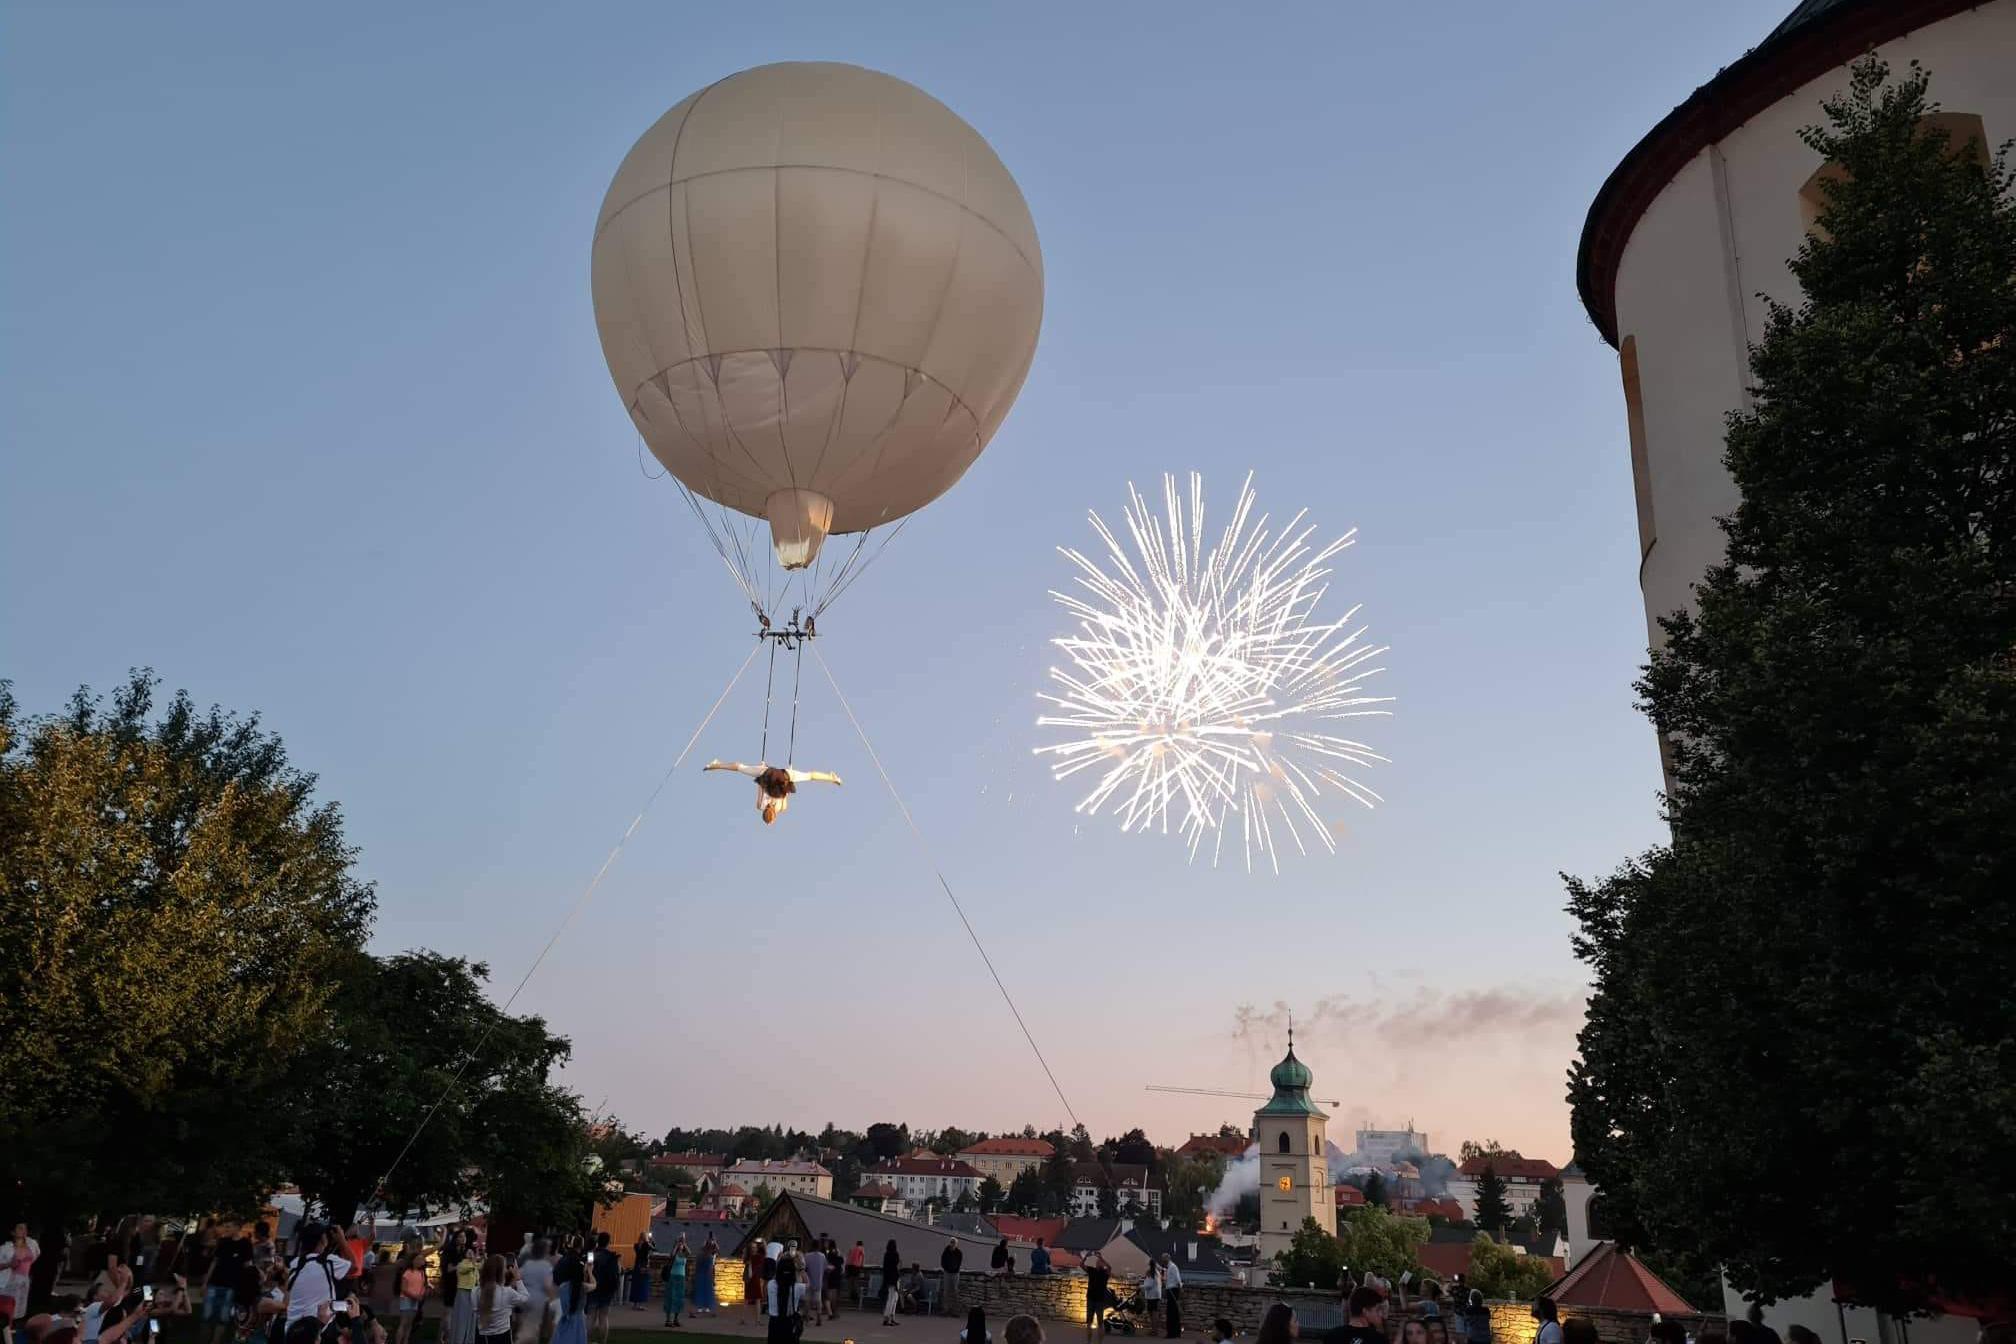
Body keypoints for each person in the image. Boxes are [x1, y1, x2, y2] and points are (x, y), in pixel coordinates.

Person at [704, 761, 843, 825]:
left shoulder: (782, 808)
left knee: (810, 776)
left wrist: (790, 772)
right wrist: (762, 767)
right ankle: (716, 765)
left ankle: (832, 778)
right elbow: (760, 786)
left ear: (775, 816)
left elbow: (786, 791)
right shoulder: (759, 806)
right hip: (766, 774)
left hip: (785, 776)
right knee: (740, 767)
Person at [284, 1227, 353, 1327]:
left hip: (292, 1328)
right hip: (319, 1328)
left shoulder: (295, 1264)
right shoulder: (328, 1261)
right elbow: (354, 1267)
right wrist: (342, 1239)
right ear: (322, 1240)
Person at [204, 1225, 253, 1344]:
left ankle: (215, 1341)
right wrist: (205, 1282)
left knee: (223, 1316)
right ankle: (205, 1339)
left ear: (237, 1227)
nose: (226, 1230)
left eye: (229, 1227)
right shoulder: (223, 1242)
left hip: (232, 1285)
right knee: (207, 1315)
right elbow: (215, 1261)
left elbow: (247, 1265)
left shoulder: (245, 1244)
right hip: (215, 1282)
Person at [476, 1256, 527, 1344]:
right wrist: (518, 1279)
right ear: (501, 1273)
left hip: (482, 1336)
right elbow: (526, 1299)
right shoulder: (507, 1292)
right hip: (502, 1337)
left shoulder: (475, 1292)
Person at [548, 1241, 588, 1344]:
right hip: (571, 1303)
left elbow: (555, 1277)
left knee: (561, 1327)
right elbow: (592, 1284)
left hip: (560, 1298)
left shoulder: (564, 1259)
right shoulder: (577, 1262)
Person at [516, 1241, 554, 1344]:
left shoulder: (527, 1264)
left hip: (525, 1298)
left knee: (525, 1324)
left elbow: (518, 1277)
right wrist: (552, 1299)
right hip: (538, 1300)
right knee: (533, 1329)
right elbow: (547, 1285)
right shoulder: (546, 1266)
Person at [1321, 1286, 1387, 1344]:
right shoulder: (1377, 1340)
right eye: (1378, 1310)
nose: (1381, 1314)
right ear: (1365, 1311)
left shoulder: (1332, 1336)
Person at [4, 1224, 41, 1327]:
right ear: (12, 1232)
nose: (24, 1230)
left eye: (25, 1228)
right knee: (9, 1305)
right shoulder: (7, 1247)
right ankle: (7, 1326)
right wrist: (9, 1265)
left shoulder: (31, 1244)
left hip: (24, 1278)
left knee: (20, 1305)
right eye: (20, 1228)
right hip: (11, 1279)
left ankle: (13, 1326)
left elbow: (36, 1255)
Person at [586, 1236, 620, 1344]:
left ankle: (586, 1340)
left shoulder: (591, 1254)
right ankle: (602, 1341)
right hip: (607, 1290)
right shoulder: (611, 1256)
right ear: (608, 1242)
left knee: (590, 1317)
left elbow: (587, 1270)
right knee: (603, 1317)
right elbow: (616, 1274)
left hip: (593, 1288)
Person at [394, 1252, 428, 1344]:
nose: (421, 1261)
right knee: (404, 1322)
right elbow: (403, 1289)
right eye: (418, 1259)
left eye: (422, 1259)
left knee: (410, 1324)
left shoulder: (421, 1273)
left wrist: (421, 1294)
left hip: (415, 1300)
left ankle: (405, 1341)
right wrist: (414, 1296)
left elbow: (423, 1286)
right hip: (407, 1299)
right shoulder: (408, 1272)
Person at [1082, 1250, 1112, 1342]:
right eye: (1097, 1262)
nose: (1098, 1263)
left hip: (1099, 1299)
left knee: (1100, 1323)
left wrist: (1101, 1258)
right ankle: (1088, 1342)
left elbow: (1110, 1267)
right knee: (1089, 1323)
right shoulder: (1092, 1270)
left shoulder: (1105, 1273)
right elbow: (1081, 1264)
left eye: (1099, 1262)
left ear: (1102, 1264)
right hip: (1091, 1298)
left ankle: (1099, 1342)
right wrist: (1085, 1257)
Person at [660, 1239, 687, 1329]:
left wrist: (684, 1243)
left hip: (681, 1278)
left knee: (679, 1299)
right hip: (673, 1277)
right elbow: (671, 1255)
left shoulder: (684, 1255)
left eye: (682, 1245)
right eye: (681, 1244)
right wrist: (676, 1245)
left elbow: (689, 1252)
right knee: (671, 1298)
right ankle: (668, 1320)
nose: (681, 1245)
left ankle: (676, 1319)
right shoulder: (674, 1254)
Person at [691, 1237, 717, 1319]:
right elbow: (710, 1269)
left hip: (700, 1275)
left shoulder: (700, 1256)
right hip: (706, 1276)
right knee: (707, 1291)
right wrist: (712, 1278)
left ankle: (700, 1307)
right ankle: (706, 1307)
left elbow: (697, 1267)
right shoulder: (709, 1257)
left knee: (700, 1291)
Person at [801, 1239, 825, 1326]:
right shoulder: (822, 1256)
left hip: (808, 1281)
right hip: (818, 1281)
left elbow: (803, 1267)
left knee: (807, 1301)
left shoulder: (807, 1256)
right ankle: (819, 1317)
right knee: (818, 1301)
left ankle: (807, 1318)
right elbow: (824, 1268)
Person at [1158, 1254, 1182, 1339]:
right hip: (1171, 1290)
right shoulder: (1168, 1268)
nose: (1162, 1262)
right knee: (1174, 1313)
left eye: (1163, 1260)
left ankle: (1172, 1333)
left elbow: (1178, 1280)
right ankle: (1176, 1333)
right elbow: (1167, 1279)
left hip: (1173, 1291)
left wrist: (1178, 1294)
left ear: (1167, 1259)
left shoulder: (1173, 1267)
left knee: (1171, 1313)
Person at [878, 1241, 901, 1326]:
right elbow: (896, 1266)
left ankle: (890, 1317)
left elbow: (886, 1269)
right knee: (892, 1299)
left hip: (888, 1279)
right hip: (894, 1278)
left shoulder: (886, 1255)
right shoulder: (895, 1255)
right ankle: (888, 1317)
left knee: (893, 1298)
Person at [627, 1236, 652, 1312]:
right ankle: (638, 1304)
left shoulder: (638, 1245)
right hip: (642, 1265)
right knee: (641, 1285)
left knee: (638, 1285)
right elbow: (651, 1249)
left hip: (638, 1266)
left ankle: (636, 1304)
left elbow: (652, 1248)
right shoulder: (644, 1245)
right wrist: (648, 1242)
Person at [940, 1239, 963, 1315]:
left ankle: (955, 1310)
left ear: (956, 1244)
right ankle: (946, 1309)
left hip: (955, 1273)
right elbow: (942, 1261)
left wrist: (955, 1269)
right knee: (946, 1292)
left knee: (955, 1291)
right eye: (951, 1242)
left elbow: (959, 1263)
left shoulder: (959, 1252)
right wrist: (946, 1268)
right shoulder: (946, 1251)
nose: (952, 1244)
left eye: (954, 1243)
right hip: (947, 1273)